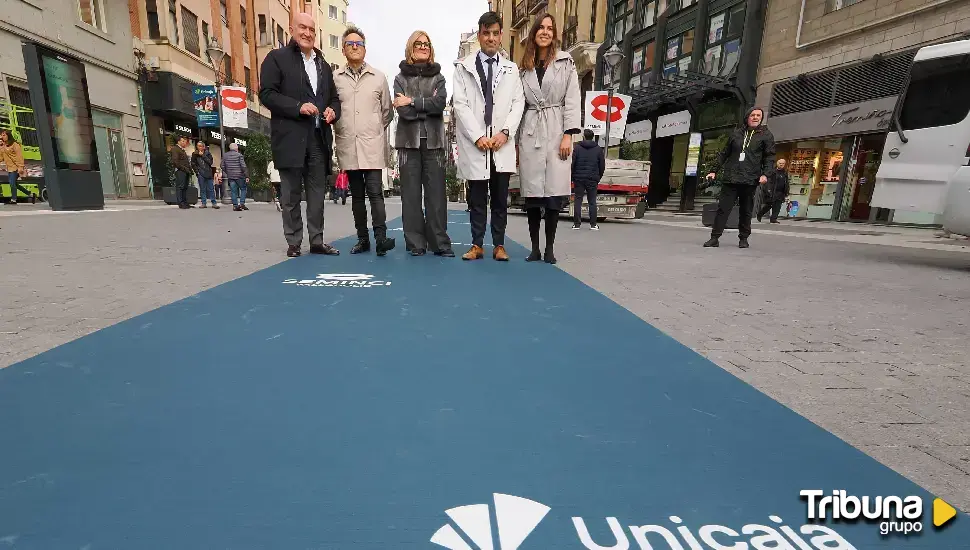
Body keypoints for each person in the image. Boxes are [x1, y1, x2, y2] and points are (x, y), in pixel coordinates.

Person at [259, 11, 341, 258]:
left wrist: (332, 111)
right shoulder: (276, 58)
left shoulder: (324, 65)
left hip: (318, 139)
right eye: (302, 28)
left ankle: (317, 241)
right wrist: (297, 107)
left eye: (312, 30)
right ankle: (294, 242)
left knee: (317, 195)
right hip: (290, 138)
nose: (307, 33)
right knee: (291, 193)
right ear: (291, 29)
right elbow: (267, 94)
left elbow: (335, 99)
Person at [453, 11, 525, 261]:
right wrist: (477, 137)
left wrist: (505, 133)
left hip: (501, 145)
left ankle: (499, 245)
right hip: (478, 145)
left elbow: (518, 103)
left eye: (495, 33)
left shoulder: (511, 69)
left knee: (499, 198)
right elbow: (460, 105)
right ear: (480, 34)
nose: (491, 38)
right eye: (486, 33)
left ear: (501, 35)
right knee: (476, 198)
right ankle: (476, 244)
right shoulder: (463, 68)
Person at [517, 14, 581, 264]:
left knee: (553, 194)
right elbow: (519, 105)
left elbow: (572, 99)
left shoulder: (566, 63)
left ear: (554, 34)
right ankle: (534, 248)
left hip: (556, 129)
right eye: (541, 28)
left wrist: (568, 135)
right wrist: (516, 144)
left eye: (550, 29)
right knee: (533, 194)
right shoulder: (524, 68)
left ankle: (550, 249)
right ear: (534, 33)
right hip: (531, 129)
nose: (545, 32)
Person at [333, 26, 396, 257]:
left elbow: (387, 112)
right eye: (350, 44)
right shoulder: (336, 78)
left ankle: (381, 238)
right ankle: (363, 239)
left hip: (372, 145)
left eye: (358, 43)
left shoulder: (378, 77)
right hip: (348, 144)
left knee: (375, 193)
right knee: (357, 196)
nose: (355, 47)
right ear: (343, 49)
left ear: (365, 48)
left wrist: (373, 128)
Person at [392, 30, 454, 257]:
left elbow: (440, 104)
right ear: (410, 48)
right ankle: (416, 243)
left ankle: (440, 243)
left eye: (426, 44)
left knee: (436, 195)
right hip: (408, 143)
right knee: (410, 196)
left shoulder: (439, 77)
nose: (423, 47)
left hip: (434, 142)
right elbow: (404, 112)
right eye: (418, 43)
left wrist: (412, 100)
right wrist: (423, 106)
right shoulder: (400, 78)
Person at [704, 107, 775, 248]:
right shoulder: (736, 134)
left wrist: (765, 174)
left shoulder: (766, 135)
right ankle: (714, 238)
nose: (755, 117)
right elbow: (724, 153)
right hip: (731, 178)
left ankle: (743, 238)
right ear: (747, 117)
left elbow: (770, 157)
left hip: (750, 179)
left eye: (758, 115)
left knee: (746, 211)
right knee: (723, 209)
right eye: (752, 115)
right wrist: (713, 170)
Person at [571, 129, 605, 230]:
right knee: (592, 201)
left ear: (584, 137)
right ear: (593, 137)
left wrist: (572, 176)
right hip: (592, 179)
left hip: (579, 178)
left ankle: (577, 224)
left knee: (578, 200)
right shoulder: (598, 149)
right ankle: (593, 224)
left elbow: (573, 163)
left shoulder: (577, 148)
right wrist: (598, 177)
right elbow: (602, 165)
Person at [758, 158, 789, 223]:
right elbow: (768, 181)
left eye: (783, 164)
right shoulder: (773, 171)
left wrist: (786, 192)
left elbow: (786, 183)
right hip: (772, 191)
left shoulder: (785, 173)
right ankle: (760, 214)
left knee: (777, 206)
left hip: (781, 192)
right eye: (780, 163)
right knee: (769, 205)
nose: (781, 165)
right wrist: (768, 189)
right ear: (777, 163)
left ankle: (773, 219)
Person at [0, 130, 27, 204]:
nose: (2, 137)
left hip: (16, 167)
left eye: (4, 135)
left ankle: (13, 200)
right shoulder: (3, 146)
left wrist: (21, 167)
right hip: (9, 168)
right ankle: (30, 194)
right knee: (14, 184)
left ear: (8, 136)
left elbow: (19, 156)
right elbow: (1, 158)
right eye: (1, 135)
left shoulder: (15, 145)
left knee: (12, 183)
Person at [221, 143, 249, 211]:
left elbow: (222, 165)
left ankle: (235, 206)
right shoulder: (239, 155)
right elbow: (243, 166)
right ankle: (242, 203)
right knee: (243, 189)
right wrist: (247, 176)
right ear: (236, 148)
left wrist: (228, 172)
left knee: (233, 191)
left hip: (231, 176)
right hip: (240, 176)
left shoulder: (225, 155)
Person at [192, 141, 219, 209]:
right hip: (200, 173)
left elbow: (210, 162)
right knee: (202, 189)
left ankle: (214, 203)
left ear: (204, 147)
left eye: (201, 146)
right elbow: (193, 164)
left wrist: (203, 156)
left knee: (211, 189)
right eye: (198, 146)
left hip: (208, 173)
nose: (199, 147)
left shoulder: (208, 153)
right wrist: (197, 172)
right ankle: (203, 203)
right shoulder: (194, 154)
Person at [170, 134, 193, 209]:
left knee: (185, 187)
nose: (184, 142)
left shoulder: (182, 150)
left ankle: (185, 202)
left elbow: (186, 161)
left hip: (186, 171)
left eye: (185, 141)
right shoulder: (175, 149)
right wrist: (184, 168)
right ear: (178, 142)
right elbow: (175, 162)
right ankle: (181, 203)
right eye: (183, 141)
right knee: (180, 187)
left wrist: (190, 170)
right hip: (180, 171)